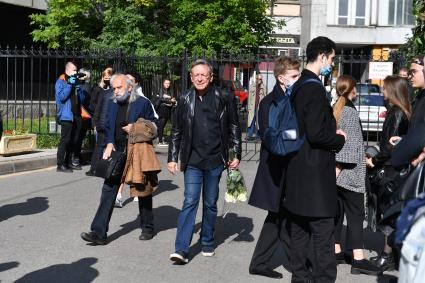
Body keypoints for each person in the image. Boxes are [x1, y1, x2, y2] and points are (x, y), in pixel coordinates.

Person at [283, 36, 346, 283]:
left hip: (296, 168)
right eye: (331, 58)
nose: (332, 63)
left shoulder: (297, 85)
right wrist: (338, 138)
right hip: (315, 173)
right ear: (322, 57)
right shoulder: (314, 88)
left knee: (299, 230)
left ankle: (300, 277)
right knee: (323, 234)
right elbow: (317, 133)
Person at [167, 59, 241, 264]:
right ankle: (181, 248)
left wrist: (235, 155)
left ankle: (207, 241)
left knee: (209, 204)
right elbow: (176, 130)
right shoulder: (184, 98)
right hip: (192, 160)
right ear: (191, 78)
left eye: (203, 75)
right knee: (190, 200)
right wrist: (173, 157)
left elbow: (234, 127)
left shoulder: (223, 96)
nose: (199, 78)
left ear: (210, 77)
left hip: (216, 160)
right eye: (195, 75)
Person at [80, 74, 156, 245]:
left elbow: (153, 125)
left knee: (142, 188)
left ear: (130, 87)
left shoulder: (143, 103)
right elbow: (107, 126)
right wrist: (109, 143)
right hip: (118, 151)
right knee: (108, 189)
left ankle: (148, 227)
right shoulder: (113, 103)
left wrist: (135, 128)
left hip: (136, 151)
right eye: (114, 88)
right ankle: (98, 233)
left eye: (119, 87)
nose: (115, 91)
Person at [248, 56, 300, 279]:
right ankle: (299, 265)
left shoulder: (295, 98)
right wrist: (296, 137)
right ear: (281, 78)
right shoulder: (269, 103)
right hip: (277, 168)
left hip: (291, 168)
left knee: (280, 217)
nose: (298, 80)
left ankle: (260, 263)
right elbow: (271, 137)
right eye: (294, 76)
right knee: (284, 215)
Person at [332, 75, 382, 275]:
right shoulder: (350, 111)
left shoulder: (336, 107)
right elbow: (350, 149)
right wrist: (339, 169)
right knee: (355, 216)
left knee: (337, 213)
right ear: (352, 90)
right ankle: (358, 259)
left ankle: (336, 251)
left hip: (337, 172)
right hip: (349, 173)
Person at [366, 76, 411, 270]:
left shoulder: (396, 113)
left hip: (391, 169)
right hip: (397, 167)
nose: (382, 92)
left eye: (384, 89)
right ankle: (392, 255)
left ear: (393, 91)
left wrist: (373, 160)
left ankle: (387, 255)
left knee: (387, 213)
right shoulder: (403, 111)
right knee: (392, 213)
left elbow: (389, 146)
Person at [55, 62, 85, 173]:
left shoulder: (74, 82)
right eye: (74, 70)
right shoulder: (61, 82)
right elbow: (62, 98)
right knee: (65, 140)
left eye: (76, 70)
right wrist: (69, 85)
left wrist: (79, 88)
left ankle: (69, 162)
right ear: (67, 70)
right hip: (66, 116)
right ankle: (60, 164)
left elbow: (81, 99)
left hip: (76, 115)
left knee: (74, 140)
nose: (75, 72)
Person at [85, 67, 113, 176]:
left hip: (107, 121)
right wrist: (95, 122)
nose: (107, 79)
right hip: (101, 121)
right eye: (106, 77)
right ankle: (94, 168)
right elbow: (94, 106)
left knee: (107, 146)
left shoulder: (112, 90)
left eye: (109, 78)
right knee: (100, 146)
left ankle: (105, 168)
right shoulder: (98, 90)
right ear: (102, 77)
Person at [72, 68, 93, 167]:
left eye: (83, 74)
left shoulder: (87, 85)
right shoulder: (77, 85)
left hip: (85, 115)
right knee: (77, 137)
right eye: (80, 74)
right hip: (78, 115)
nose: (81, 76)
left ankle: (78, 156)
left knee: (80, 137)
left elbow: (87, 99)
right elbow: (82, 99)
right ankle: (75, 157)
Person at [156, 78, 176, 146]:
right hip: (162, 109)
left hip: (168, 109)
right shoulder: (161, 90)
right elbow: (161, 99)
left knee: (164, 125)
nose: (167, 85)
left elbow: (172, 98)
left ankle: (161, 140)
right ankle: (160, 141)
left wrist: (173, 99)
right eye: (166, 83)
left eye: (168, 83)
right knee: (161, 125)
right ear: (163, 84)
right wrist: (170, 101)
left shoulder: (169, 91)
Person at [247, 74, 266, 140]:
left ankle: (258, 136)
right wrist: (248, 107)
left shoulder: (264, 87)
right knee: (251, 121)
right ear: (256, 79)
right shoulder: (252, 86)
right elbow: (249, 98)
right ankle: (249, 135)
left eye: (260, 79)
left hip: (260, 107)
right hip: (252, 107)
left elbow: (266, 98)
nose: (259, 80)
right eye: (257, 78)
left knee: (259, 122)